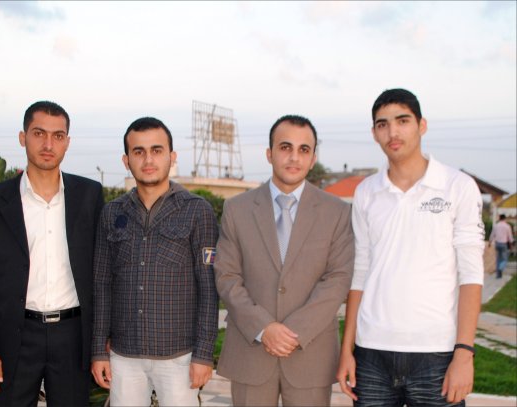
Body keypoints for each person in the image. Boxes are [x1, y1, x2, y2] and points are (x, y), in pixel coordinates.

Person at [337, 88, 484, 407]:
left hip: (437, 354)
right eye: (383, 124)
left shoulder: (457, 186)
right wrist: (347, 350)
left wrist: (464, 352)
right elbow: (359, 272)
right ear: (374, 133)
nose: (393, 132)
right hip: (371, 354)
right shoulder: (366, 192)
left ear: (422, 125)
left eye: (402, 121)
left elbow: (471, 275)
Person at [0, 101, 104, 406]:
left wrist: (102, 344)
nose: (48, 144)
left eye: (58, 136)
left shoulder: (90, 196)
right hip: (14, 336)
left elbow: (102, 273)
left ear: (67, 142)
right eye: (39, 133)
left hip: (72, 336)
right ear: (22, 137)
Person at [214, 115, 354, 406]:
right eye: (285, 147)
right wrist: (264, 328)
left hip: (310, 355)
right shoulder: (237, 209)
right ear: (269, 153)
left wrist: (293, 333)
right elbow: (227, 276)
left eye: (304, 149)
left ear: (313, 158)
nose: (294, 157)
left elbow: (338, 279)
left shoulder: (337, 212)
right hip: (250, 353)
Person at [90, 117, 219, 406]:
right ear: (126, 160)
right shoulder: (112, 213)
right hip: (124, 357)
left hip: (179, 358)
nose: (148, 160)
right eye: (139, 152)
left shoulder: (197, 211)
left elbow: (209, 288)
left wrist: (203, 354)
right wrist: (99, 350)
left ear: (172, 157)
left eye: (157, 150)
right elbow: (101, 284)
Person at [489, 214, 514, 279]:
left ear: (499, 218)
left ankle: (498, 275)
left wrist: (490, 242)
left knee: (498, 259)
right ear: (505, 218)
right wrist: (511, 246)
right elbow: (510, 237)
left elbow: (492, 234)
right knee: (505, 259)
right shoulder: (507, 226)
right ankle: (501, 268)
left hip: (497, 244)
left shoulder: (496, 225)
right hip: (504, 244)